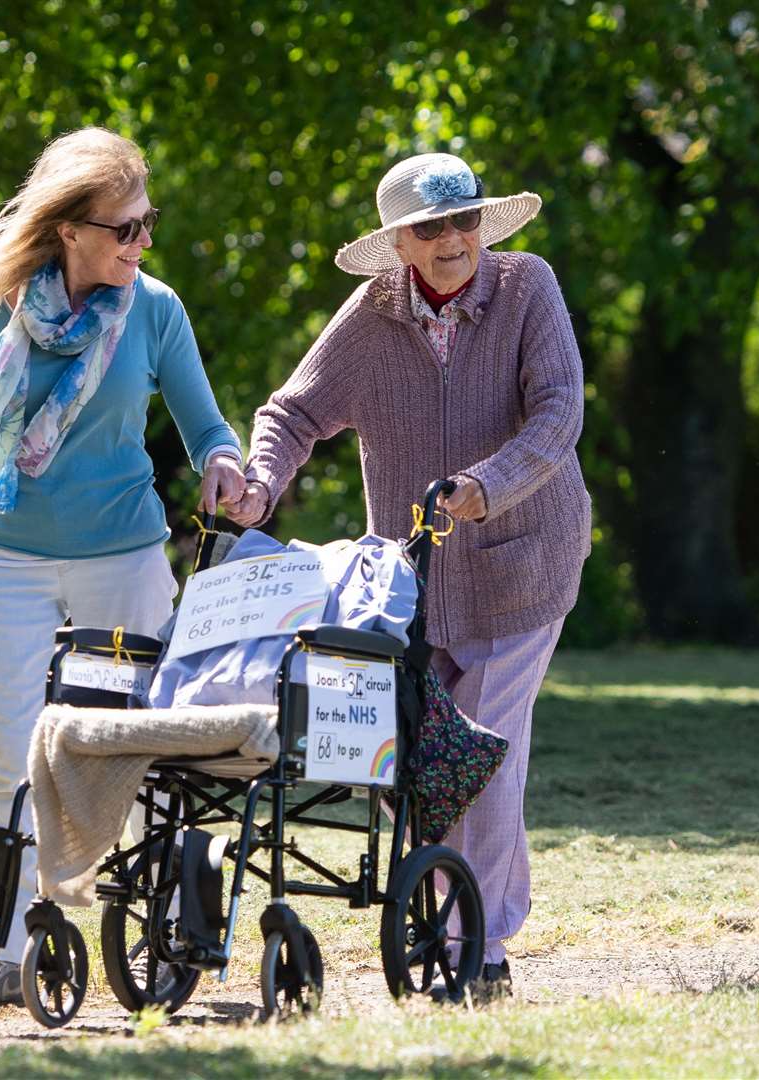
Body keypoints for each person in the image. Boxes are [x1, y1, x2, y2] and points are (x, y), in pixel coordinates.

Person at [226, 153, 590, 997]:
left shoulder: (527, 287)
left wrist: (485, 485)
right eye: (432, 227)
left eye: (466, 220)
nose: (454, 239)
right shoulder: (372, 316)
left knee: (485, 755)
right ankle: (450, 914)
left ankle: (483, 951)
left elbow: (559, 412)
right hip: (412, 584)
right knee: (418, 761)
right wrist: (261, 485)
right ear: (401, 242)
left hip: (522, 562)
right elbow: (292, 411)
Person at [0, 128, 247, 1012]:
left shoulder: (155, 308)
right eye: (126, 229)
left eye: (148, 226)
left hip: (123, 555)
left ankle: (150, 937)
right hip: (2, 554)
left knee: (130, 748)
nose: (143, 244)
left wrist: (225, 463)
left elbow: (205, 425)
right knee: (12, 756)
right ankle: (10, 951)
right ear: (69, 229)